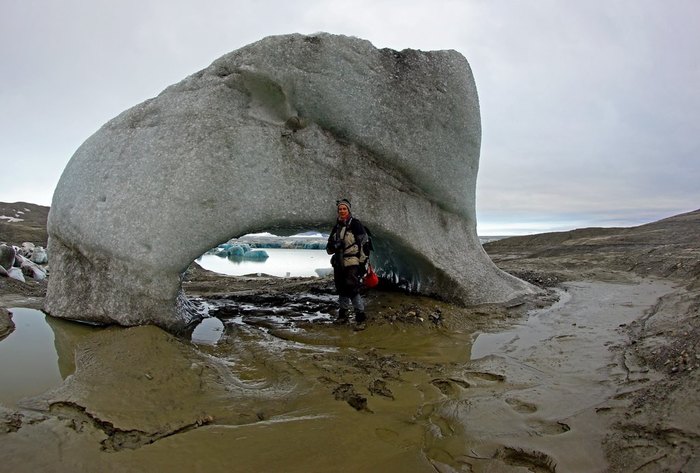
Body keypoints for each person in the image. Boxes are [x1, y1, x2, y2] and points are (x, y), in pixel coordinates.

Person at [326, 198, 370, 328]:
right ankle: (343, 315)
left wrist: (363, 263)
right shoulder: (336, 227)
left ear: (349, 210)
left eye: (344, 209)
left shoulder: (355, 224)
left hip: (352, 262)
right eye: (340, 209)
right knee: (341, 288)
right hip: (339, 262)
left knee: (352, 288)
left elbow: (364, 243)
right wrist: (334, 245)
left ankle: (360, 317)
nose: (342, 211)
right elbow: (328, 249)